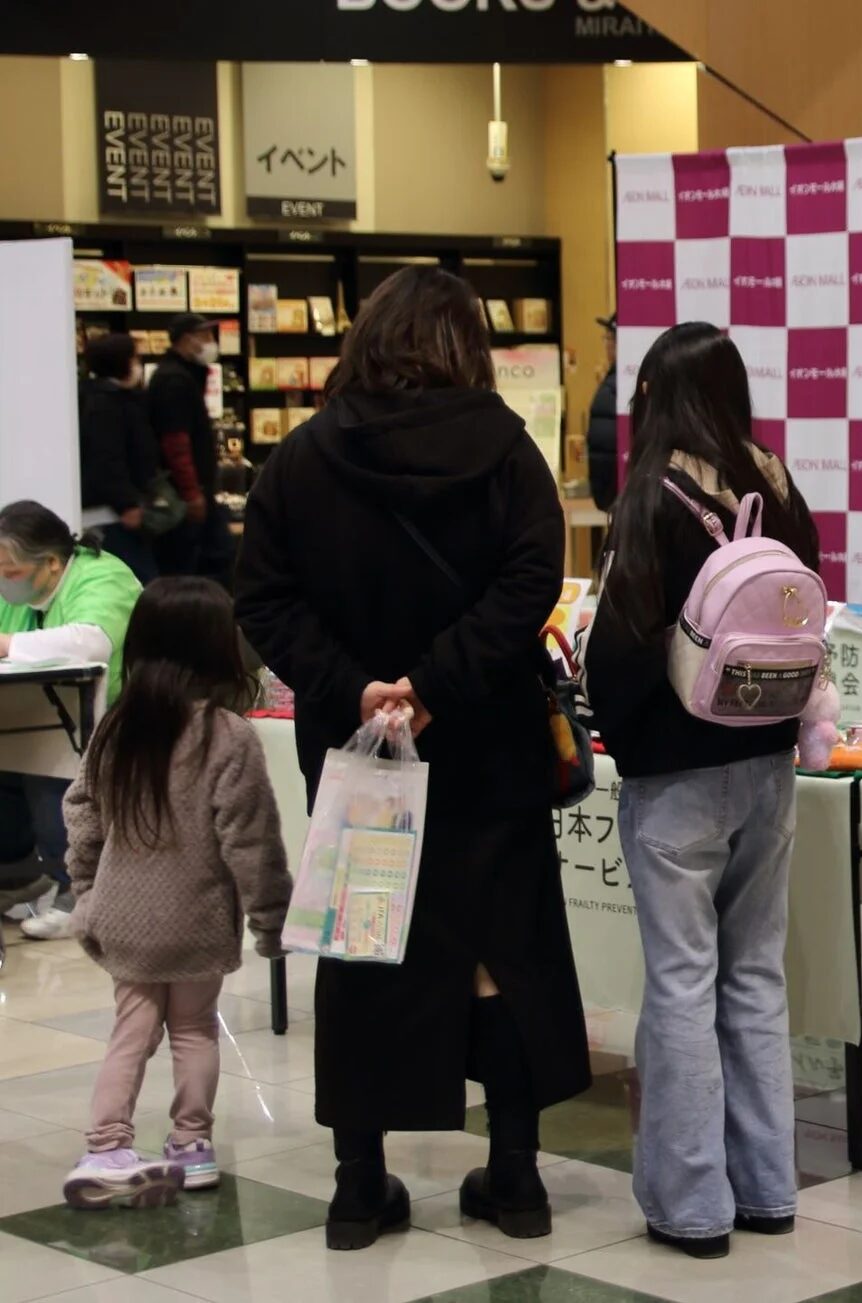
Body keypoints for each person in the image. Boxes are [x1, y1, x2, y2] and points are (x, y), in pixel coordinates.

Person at [233, 265, 589, 1251]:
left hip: (359, 756)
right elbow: (530, 585)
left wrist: (360, 688)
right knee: (501, 951)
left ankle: (359, 1187)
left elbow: (262, 598)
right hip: (489, 750)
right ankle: (515, 1177)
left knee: (362, 946)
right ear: (468, 344)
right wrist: (437, 684)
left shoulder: (304, 458)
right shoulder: (508, 453)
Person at [584, 322, 820, 1260]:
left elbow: (620, 650)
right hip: (768, 765)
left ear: (653, 395)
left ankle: (691, 1204)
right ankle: (767, 1187)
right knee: (755, 976)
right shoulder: (779, 483)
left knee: (681, 981)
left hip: (676, 778)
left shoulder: (655, 492)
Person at [58, 577, 290, 1208]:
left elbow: (82, 813)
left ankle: (106, 1145)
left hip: (123, 915)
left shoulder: (117, 728)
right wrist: (271, 920)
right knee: (193, 1031)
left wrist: (86, 890)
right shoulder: (229, 736)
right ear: (219, 649)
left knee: (130, 1030)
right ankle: (192, 1146)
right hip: (199, 916)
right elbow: (251, 840)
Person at [0, 502, 143, 946]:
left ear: (52, 563)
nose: (4, 580)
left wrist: (7, 644)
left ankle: (75, 888)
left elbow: (91, 641)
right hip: (48, 706)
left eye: (10, 570)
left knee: (49, 759)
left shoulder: (102, 576)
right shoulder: (24, 594)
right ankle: (22, 868)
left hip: (126, 714)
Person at [148, 313, 233, 586]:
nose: (211, 343)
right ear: (187, 340)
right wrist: (192, 492)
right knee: (200, 563)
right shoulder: (174, 381)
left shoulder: (183, 376)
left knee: (209, 559)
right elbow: (176, 443)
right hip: (184, 495)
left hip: (192, 491)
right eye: (205, 337)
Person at [77, 333, 161, 584]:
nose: (138, 364)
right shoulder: (107, 404)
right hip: (110, 514)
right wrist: (126, 504)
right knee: (135, 580)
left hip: (107, 510)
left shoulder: (93, 396)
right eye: (134, 358)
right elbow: (106, 457)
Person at [587, 314, 621, 513]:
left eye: (608, 338)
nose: (606, 345)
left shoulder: (611, 389)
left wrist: (605, 500)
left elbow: (605, 454)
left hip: (621, 504)